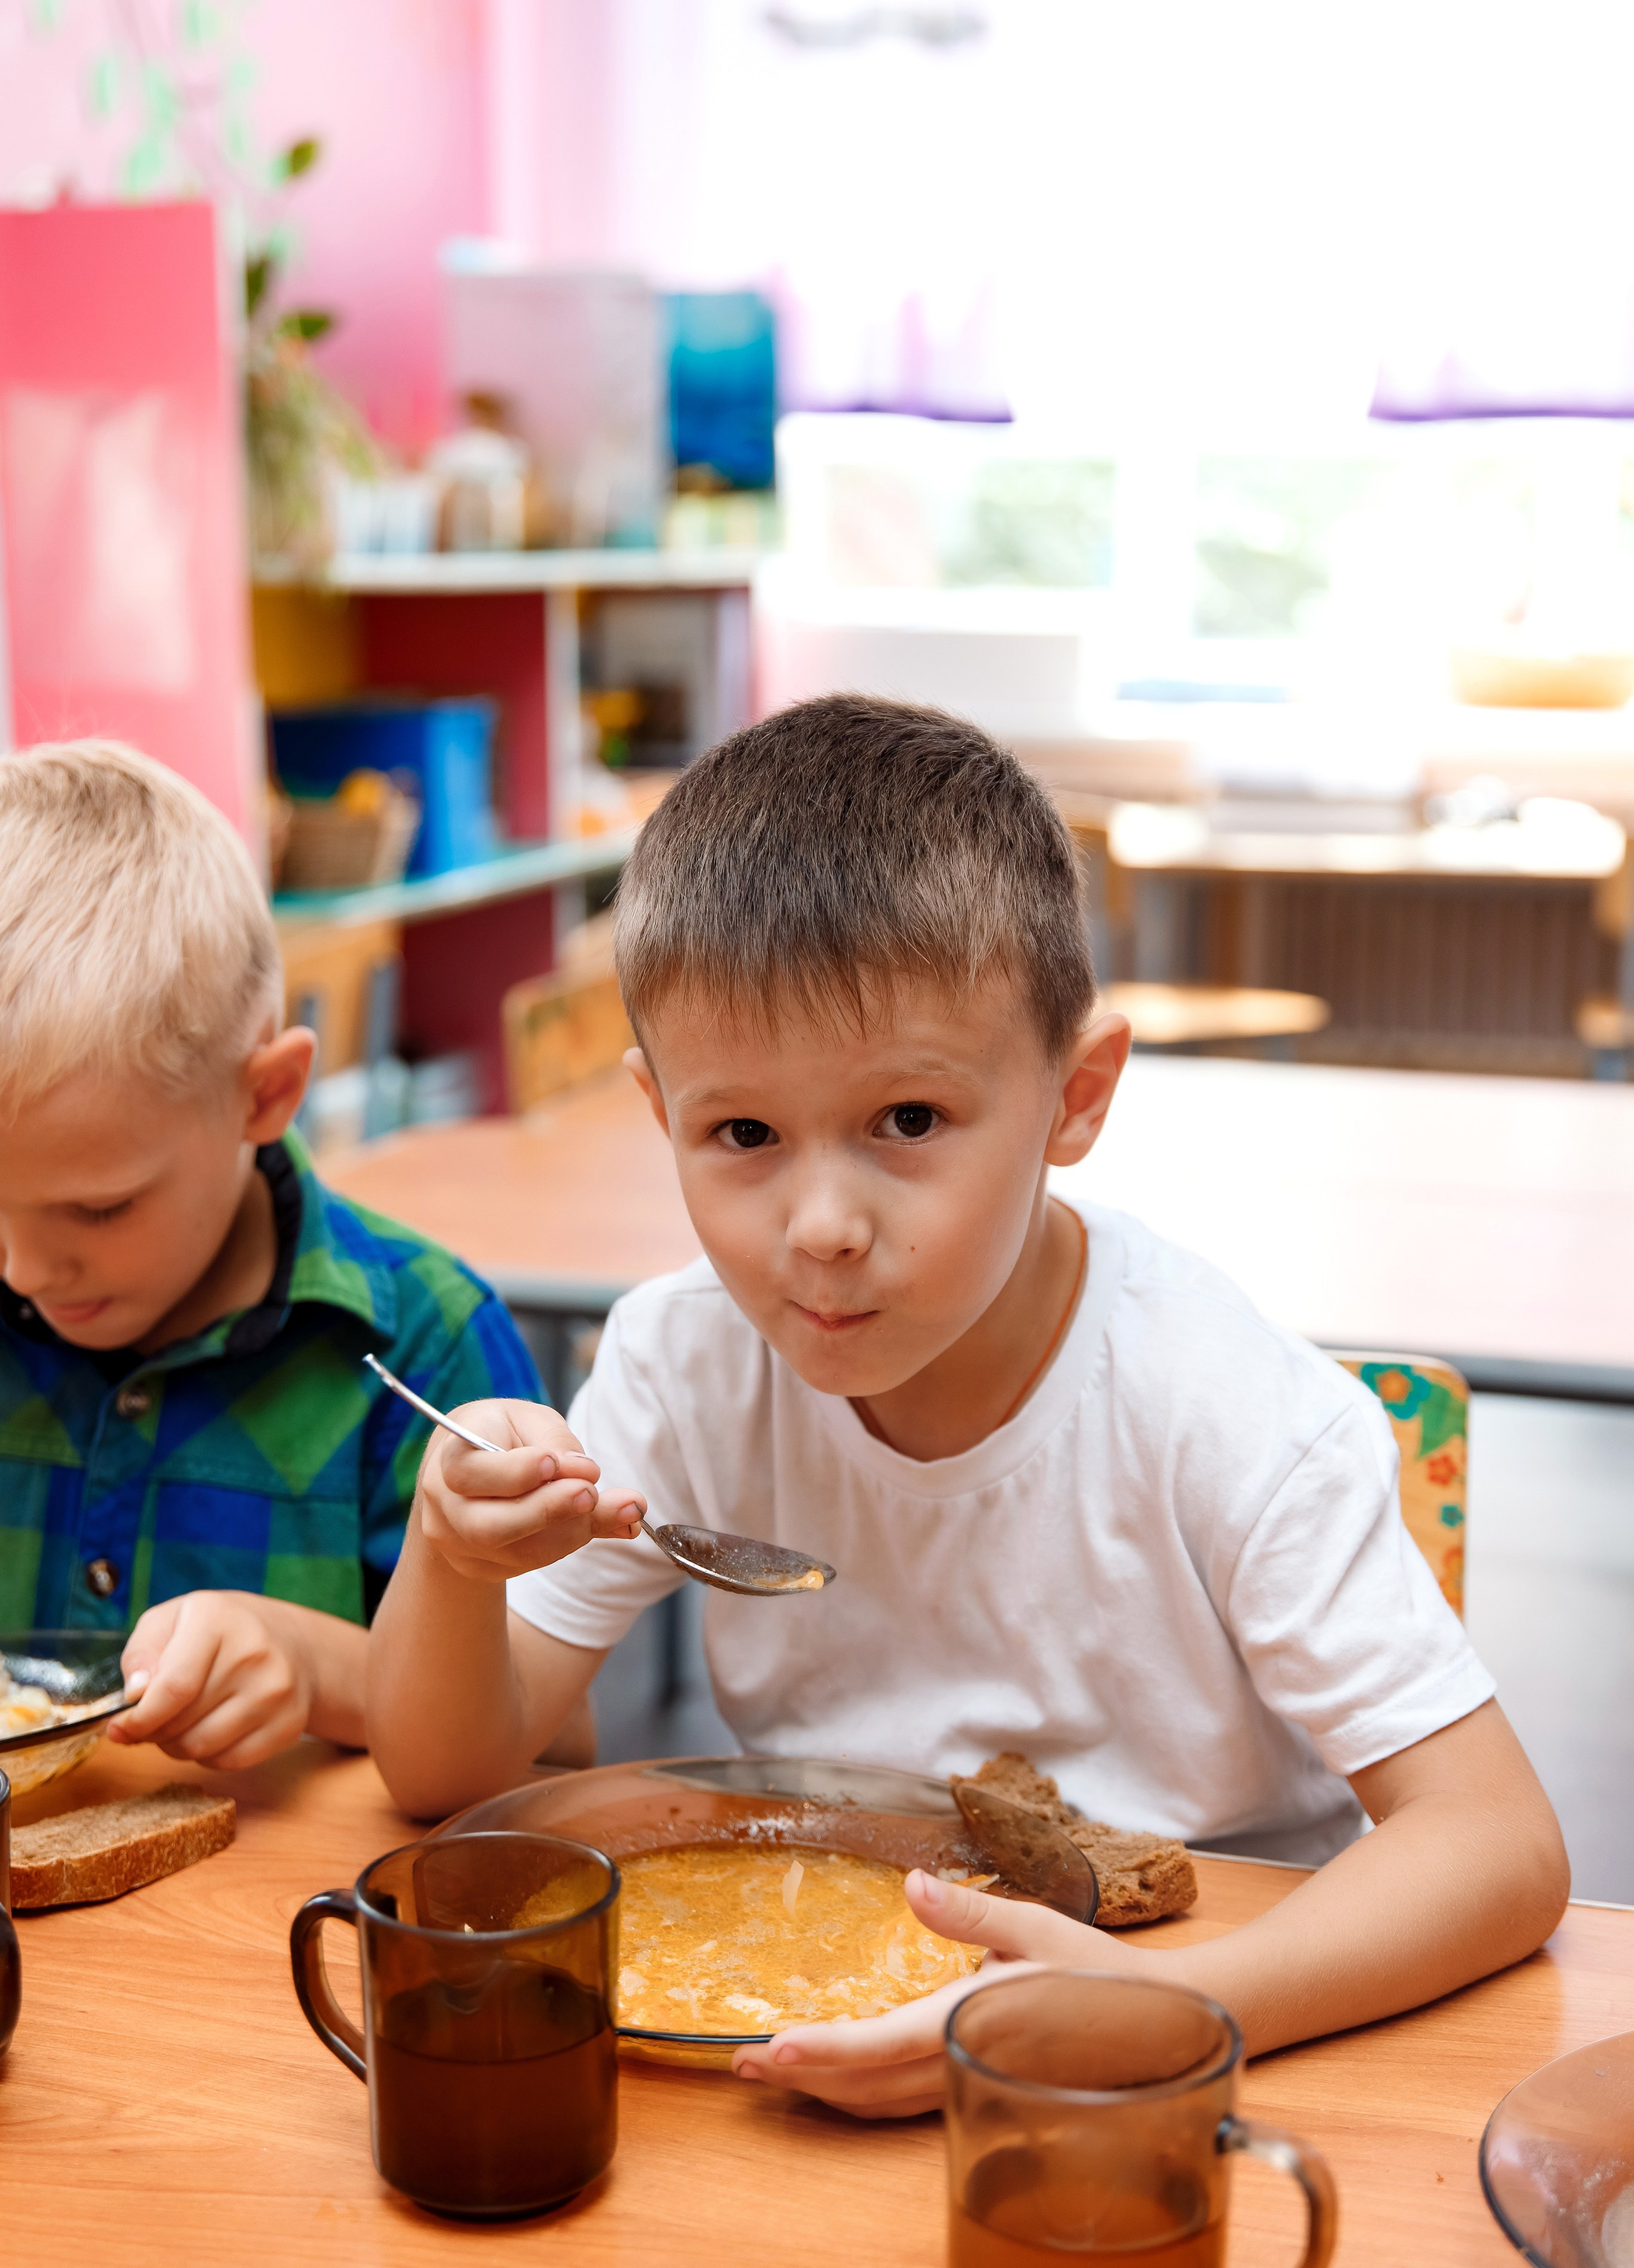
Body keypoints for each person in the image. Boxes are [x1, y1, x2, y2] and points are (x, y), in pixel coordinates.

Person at [367, 693, 1568, 2114]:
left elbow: (1497, 1845)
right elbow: (443, 1777)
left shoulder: (1226, 1406)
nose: (819, 1225)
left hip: (1195, 2036)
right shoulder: (683, 1361)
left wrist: (1157, 2007)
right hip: (808, 2009)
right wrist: (450, 1562)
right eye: (740, 1133)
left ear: (1074, 1096)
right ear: (658, 1113)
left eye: (909, 1123)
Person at [0, 740, 570, 1773]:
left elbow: (551, 1740)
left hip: (287, 1920)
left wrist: (317, 1668)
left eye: (98, 1208)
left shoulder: (429, 1347)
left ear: (263, 1096)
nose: (26, 1269)